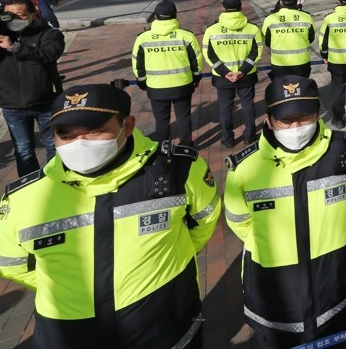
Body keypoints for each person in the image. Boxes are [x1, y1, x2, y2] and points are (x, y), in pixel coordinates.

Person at [0, 83, 221, 347]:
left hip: (164, 325)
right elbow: (12, 265)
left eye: (93, 131)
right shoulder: (24, 198)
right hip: (70, 334)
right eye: (65, 135)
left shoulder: (179, 169)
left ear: (127, 126)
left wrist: (164, 268)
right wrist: (64, 287)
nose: (79, 144)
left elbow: (203, 221)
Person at [224, 76, 346, 347]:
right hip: (275, 293)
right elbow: (239, 222)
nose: (296, 126)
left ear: (318, 112)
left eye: (304, 116)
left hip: (335, 282)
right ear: (269, 120)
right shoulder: (244, 168)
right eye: (285, 120)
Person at [0, 0, 64, 176]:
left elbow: (49, 54)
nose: (14, 19)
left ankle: (56, 179)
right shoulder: (2, 35)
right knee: (23, 150)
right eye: (9, 15)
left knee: (53, 145)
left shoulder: (49, 34)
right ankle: (29, 184)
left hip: (45, 101)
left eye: (20, 15)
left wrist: (15, 47)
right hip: (12, 104)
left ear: (32, 15)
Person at [132, 0, 202, 145]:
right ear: (175, 16)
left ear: (155, 16)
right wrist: (196, 79)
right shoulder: (186, 36)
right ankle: (186, 146)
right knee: (183, 117)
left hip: (156, 87)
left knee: (161, 120)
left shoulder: (143, 38)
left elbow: (138, 64)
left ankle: (164, 148)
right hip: (182, 84)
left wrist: (142, 83)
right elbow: (196, 60)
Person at [204, 0, 263, 147]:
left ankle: (227, 139)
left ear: (223, 8)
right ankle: (250, 137)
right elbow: (256, 52)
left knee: (225, 108)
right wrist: (242, 71)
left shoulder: (211, 30)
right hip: (246, 76)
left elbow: (209, 54)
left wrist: (225, 72)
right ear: (241, 8)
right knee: (248, 105)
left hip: (223, 77)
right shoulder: (252, 28)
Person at [262, 0, 316, 79]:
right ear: (296, 1)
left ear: (281, 2)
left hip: (279, 63)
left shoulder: (270, 19)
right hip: (302, 62)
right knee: (302, 87)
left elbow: (267, 41)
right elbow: (311, 38)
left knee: (281, 86)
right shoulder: (307, 17)